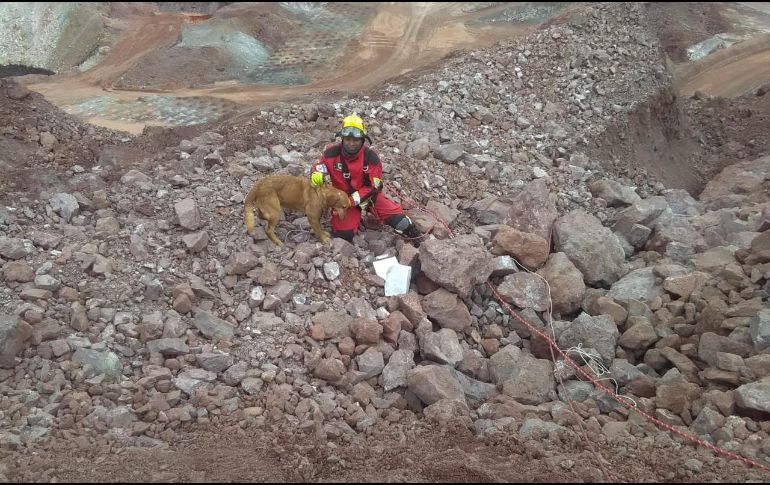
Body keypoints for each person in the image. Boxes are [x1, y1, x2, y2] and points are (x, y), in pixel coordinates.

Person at [310, 114, 423, 243]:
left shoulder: (371, 158)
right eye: (348, 139)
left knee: (401, 222)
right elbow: (320, 166)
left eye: (356, 140)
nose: (351, 143)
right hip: (344, 200)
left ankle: (418, 238)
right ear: (342, 138)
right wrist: (316, 174)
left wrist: (351, 201)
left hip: (369, 197)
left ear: (363, 139)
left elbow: (373, 187)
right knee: (343, 234)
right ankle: (354, 220)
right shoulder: (331, 153)